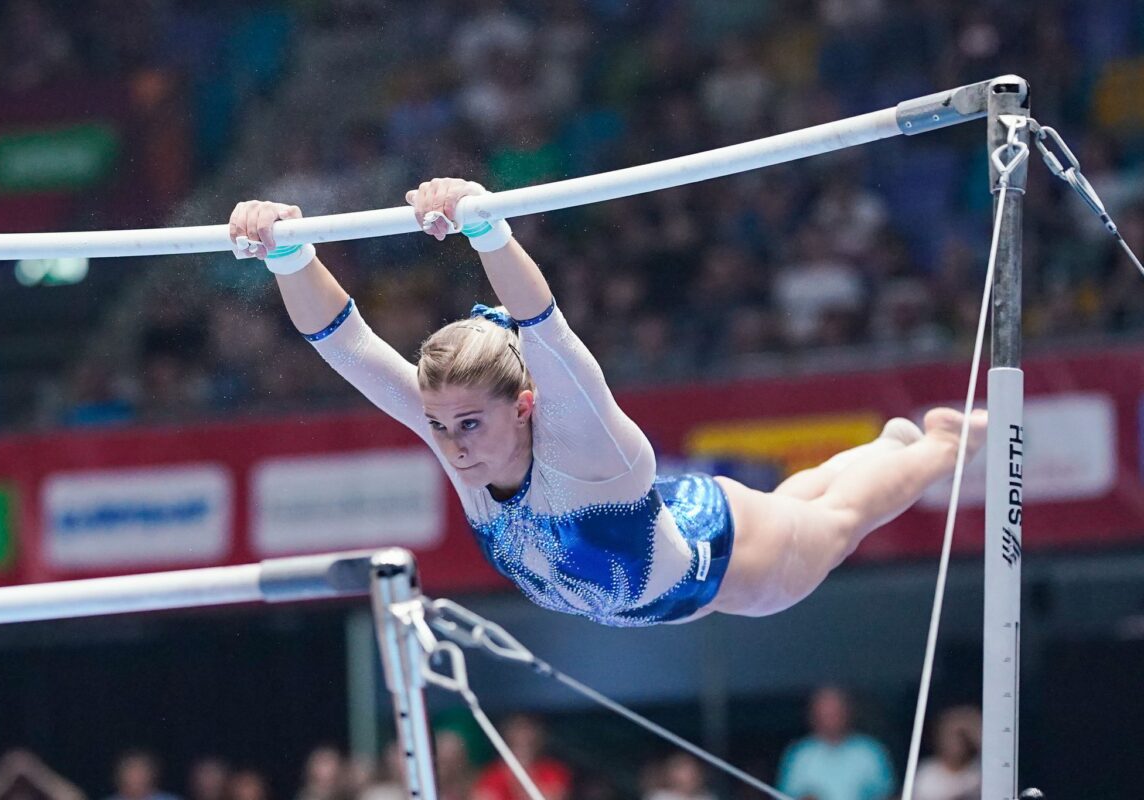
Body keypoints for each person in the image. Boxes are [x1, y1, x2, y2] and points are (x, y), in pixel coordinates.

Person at [227, 178, 987, 627]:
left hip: (726, 567)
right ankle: (897, 446)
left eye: (468, 423)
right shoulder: (457, 443)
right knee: (802, 499)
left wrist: (488, 231)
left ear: (524, 405)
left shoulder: (582, 443)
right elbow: (345, 343)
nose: (452, 444)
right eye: (439, 424)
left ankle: (939, 447)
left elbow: (544, 328)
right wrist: (288, 252)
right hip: (661, 534)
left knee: (832, 517)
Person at [776, 686, 894, 800]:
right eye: (825, 714)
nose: (830, 720)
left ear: (847, 713)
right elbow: (786, 795)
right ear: (813, 716)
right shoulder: (800, 755)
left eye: (835, 713)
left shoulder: (869, 751)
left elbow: (886, 794)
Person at [472, 714, 572, 800]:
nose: (523, 736)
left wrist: (525, 770)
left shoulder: (554, 770)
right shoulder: (491, 773)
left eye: (529, 729)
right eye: (517, 728)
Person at [910, 706, 981, 800]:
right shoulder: (927, 773)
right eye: (950, 736)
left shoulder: (977, 773)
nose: (955, 743)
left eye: (960, 736)